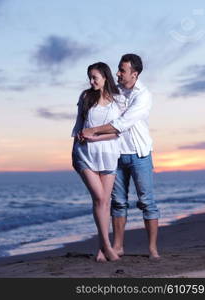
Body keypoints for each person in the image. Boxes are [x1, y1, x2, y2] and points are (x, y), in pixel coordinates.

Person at [81, 54, 160, 259]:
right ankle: (117, 247)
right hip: (115, 155)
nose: (118, 73)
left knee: (147, 202)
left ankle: (152, 249)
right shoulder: (113, 93)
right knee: (118, 202)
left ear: (134, 74)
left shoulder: (144, 95)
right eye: (117, 68)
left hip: (139, 154)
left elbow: (122, 124)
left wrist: (93, 131)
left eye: (122, 70)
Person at [71, 62, 124, 262]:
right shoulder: (85, 96)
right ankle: (107, 247)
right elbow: (78, 126)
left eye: (95, 77)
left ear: (105, 77)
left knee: (104, 201)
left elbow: (118, 130)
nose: (92, 81)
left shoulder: (118, 100)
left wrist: (96, 137)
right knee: (100, 199)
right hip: (85, 154)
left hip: (109, 153)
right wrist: (76, 146)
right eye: (90, 77)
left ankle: (102, 249)